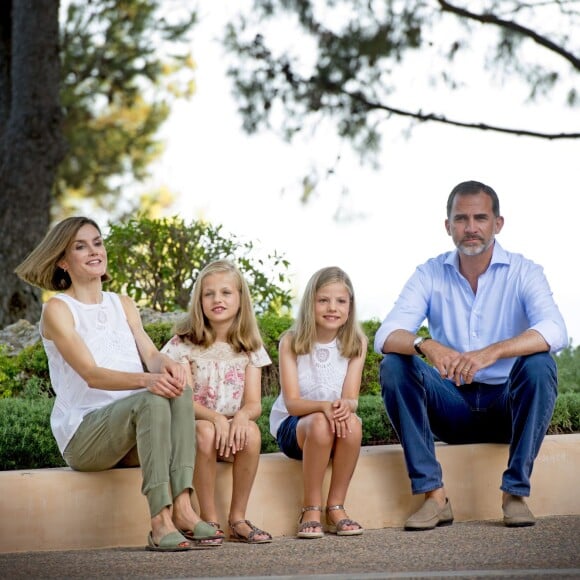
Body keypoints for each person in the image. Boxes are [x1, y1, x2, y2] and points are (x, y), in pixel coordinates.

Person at [15, 217, 223, 552]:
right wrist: (147, 380)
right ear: (63, 261)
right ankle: (159, 522)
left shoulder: (122, 303)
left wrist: (168, 366)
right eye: (80, 246)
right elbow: (91, 374)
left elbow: (151, 355)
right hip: (84, 435)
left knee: (177, 386)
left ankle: (184, 507)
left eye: (97, 242)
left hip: (133, 429)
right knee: (152, 398)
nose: (94, 251)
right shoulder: (58, 310)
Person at [374, 180, 568, 531]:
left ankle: (515, 493)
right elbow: (386, 334)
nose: (471, 227)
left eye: (480, 217)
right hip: (452, 405)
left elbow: (555, 330)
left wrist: (492, 352)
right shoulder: (430, 273)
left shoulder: (525, 272)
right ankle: (434, 496)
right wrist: (427, 345)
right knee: (394, 365)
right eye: (461, 219)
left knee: (540, 364)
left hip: (507, 407)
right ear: (448, 226)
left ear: (498, 223)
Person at [161, 260, 273, 544]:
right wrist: (216, 417)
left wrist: (241, 418)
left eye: (226, 292)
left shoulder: (250, 346)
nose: (217, 299)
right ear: (199, 301)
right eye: (208, 294)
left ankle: (237, 518)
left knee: (252, 431)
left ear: (240, 299)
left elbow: (253, 403)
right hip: (194, 430)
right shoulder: (184, 343)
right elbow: (182, 401)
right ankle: (208, 518)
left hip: (230, 432)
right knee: (205, 431)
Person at [270, 266, 367, 539]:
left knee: (354, 424)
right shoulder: (292, 341)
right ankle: (311, 507)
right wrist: (325, 407)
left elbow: (352, 399)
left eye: (340, 301)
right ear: (310, 303)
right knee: (321, 424)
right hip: (296, 428)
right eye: (323, 300)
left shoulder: (356, 343)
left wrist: (343, 407)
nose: (332, 307)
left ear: (350, 306)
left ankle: (335, 506)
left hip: (331, 425)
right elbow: (292, 404)